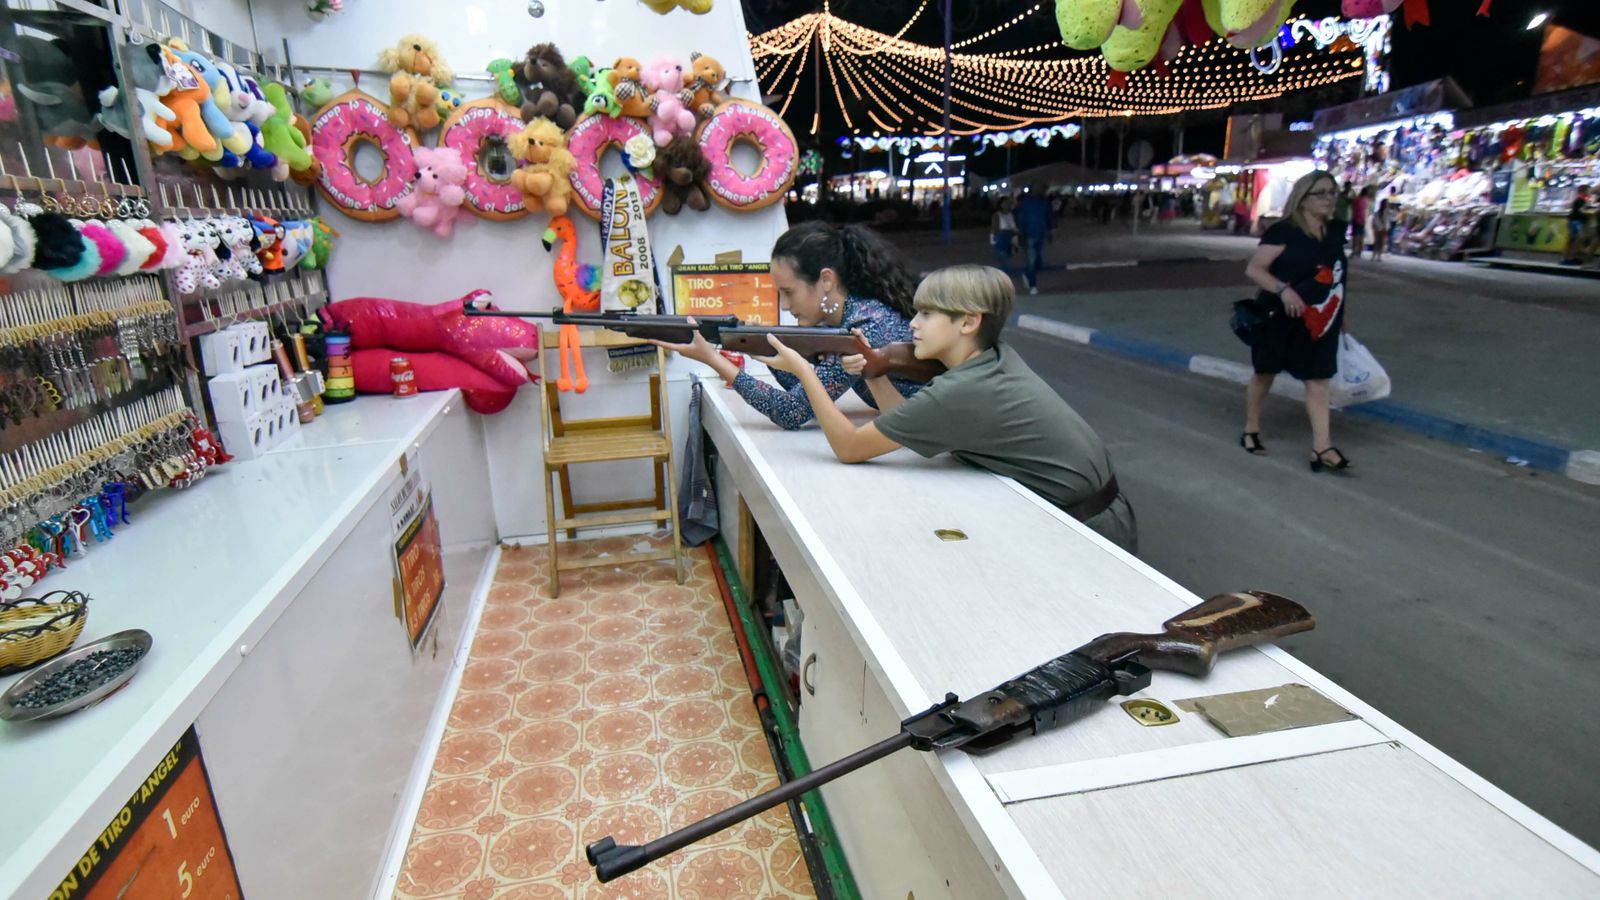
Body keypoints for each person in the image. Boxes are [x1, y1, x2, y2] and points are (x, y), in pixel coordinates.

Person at [752, 265, 1138, 553]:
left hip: (1090, 528)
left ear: (969, 322)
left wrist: (805, 371)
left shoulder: (964, 388)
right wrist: (874, 372)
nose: (914, 324)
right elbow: (902, 421)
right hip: (1093, 508)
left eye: (927, 314)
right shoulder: (993, 359)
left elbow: (850, 447)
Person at [652, 221, 924, 431]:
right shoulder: (854, 316)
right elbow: (810, 391)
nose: (783, 305)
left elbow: (791, 412)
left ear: (826, 281)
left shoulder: (865, 327)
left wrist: (713, 360)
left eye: (789, 292)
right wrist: (757, 345)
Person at [1241, 170, 1352, 473]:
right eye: (1321, 193)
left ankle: (1322, 447)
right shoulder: (1284, 231)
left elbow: (1337, 278)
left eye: (1332, 192)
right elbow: (1255, 269)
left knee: (1318, 379)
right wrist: (1283, 290)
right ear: (1303, 199)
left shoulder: (1333, 233)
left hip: (1320, 320)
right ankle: (1251, 428)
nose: (1329, 199)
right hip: (1279, 317)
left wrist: (1342, 316)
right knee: (1265, 372)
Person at [1016, 186, 1052, 295]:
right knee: (1031, 261)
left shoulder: (1044, 203)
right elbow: (1021, 219)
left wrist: (1049, 232)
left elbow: (1048, 218)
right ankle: (1033, 285)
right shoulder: (1025, 203)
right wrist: (1021, 233)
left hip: (1041, 234)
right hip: (1029, 235)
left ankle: (1027, 275)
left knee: (1038, 262)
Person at [990, 196, 1018, 275]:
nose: (1008, 205)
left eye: (1009, 203)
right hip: (1000, 239)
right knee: (1003, 260)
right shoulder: (997, 215)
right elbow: (995, 229)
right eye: (1005, 203)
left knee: (1007, 258)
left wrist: (1015, 239)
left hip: (1009, 239)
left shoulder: (1010, 215)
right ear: (1001, 204)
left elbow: (1013, 227)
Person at [1351, 185, 1374, 259]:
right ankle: (1359, 252)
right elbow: (1368, 211)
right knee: (1361, 236)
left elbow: (1353, 207)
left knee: (1355, 236)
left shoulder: (1357, 200)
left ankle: (1354, 251)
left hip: (1356, 218)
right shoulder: (1367, 201)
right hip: (1363, 219)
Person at [1371, 197, 1390, 262]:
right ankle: (1378, 256)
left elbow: (1374, 221)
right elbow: (1387, 222)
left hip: (1379, 228)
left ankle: (1375, 256)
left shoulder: (1378, 212)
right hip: (1382, 229)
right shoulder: (1386, 213)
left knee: (1377, 243)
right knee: (1380, 243)